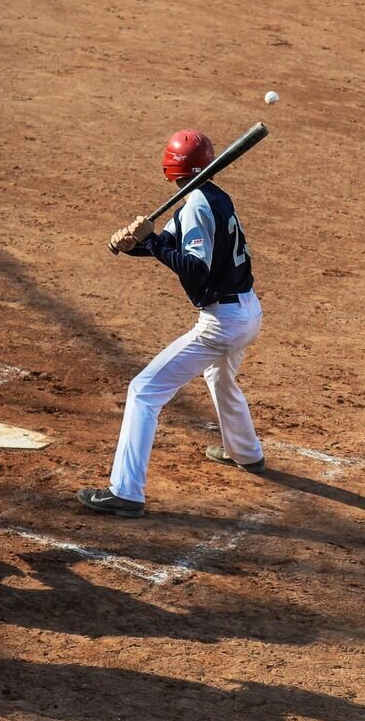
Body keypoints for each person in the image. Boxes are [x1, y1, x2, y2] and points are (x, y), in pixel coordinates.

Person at [78, 129, 265, 518]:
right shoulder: (211, 196)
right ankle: (246, 453)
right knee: (220, 378)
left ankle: (125, 492)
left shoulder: (195, 204)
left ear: (170, 166)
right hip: (247, 312)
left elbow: (194, 270)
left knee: (144, 390)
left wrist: (154, 241)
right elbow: (176, 249)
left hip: (222, 323)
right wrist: (140, 244)